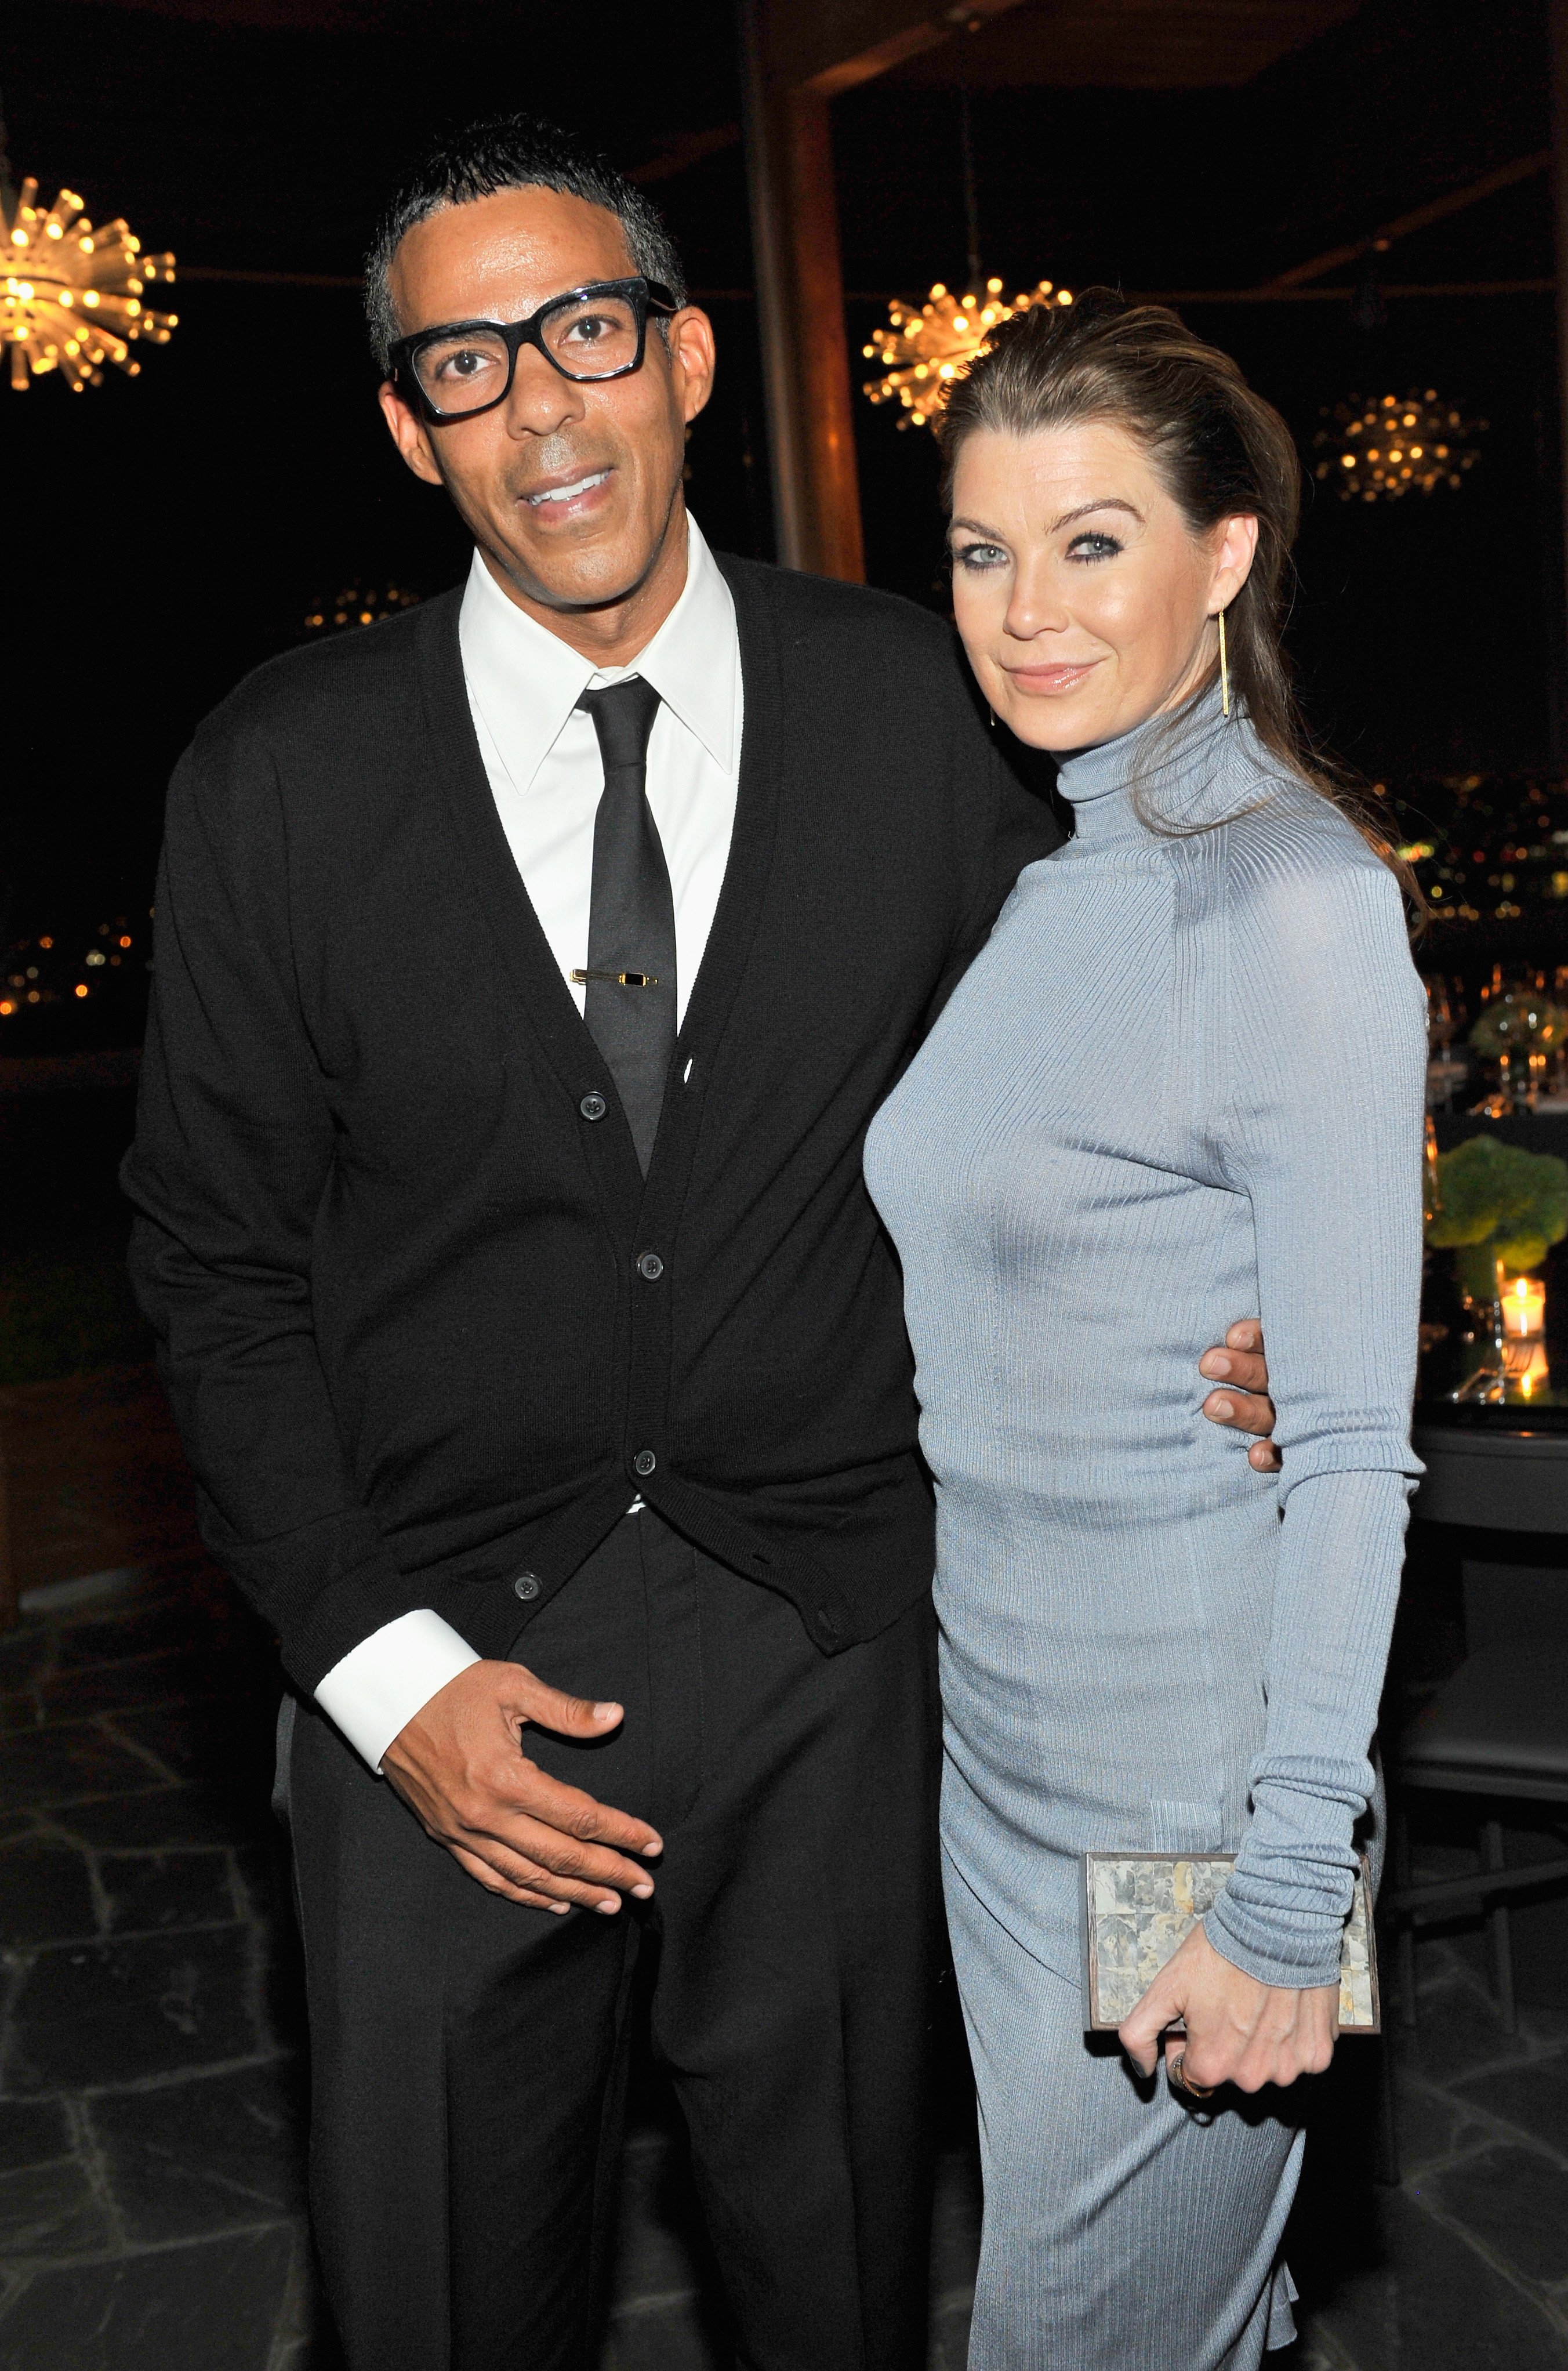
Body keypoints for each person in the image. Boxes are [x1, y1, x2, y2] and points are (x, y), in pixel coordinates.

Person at [122, 124, 1279, 2371]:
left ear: (685, 356)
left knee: (839, 2270)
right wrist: (384, 1684)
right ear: (407, 428)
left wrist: (1228, 1309)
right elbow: (213, 1270)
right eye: (465, 365)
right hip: (434, 1664)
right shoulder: (280, 775)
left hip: (837, 1649)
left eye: (581, 331)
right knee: (439, 2294)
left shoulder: (926, 709)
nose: (539, 405)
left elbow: (1134, 1057)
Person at [865, 290, 1427, 2370]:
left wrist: (1288, 1894)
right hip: (998, 1767)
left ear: (1228, 554)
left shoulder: (1291, 895)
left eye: (1093, 542)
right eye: (983, 549)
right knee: (1180, 2323)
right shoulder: (1055, 875)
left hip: (1190, 1804)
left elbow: (1357, 1448)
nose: (1026, 608)